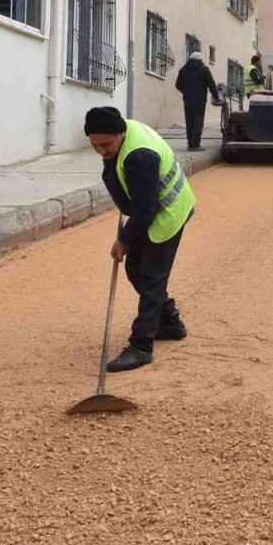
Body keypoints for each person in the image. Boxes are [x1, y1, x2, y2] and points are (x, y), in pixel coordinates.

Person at [85, 107, 195, 372]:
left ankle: (141, 346)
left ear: (121, 133)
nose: (102, 151)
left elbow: (146, 209)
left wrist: (123, 240)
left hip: (167, 212)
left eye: (107, 145)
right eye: (95, 146)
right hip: (149, 209)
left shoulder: (140, 156)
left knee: (151, 278)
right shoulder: (122, 132)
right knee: (135, 269)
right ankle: (170, 323)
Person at [174, 51, 221, 151]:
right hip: (200, 100)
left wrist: (185, 92)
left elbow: (178, 85)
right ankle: (196, 144)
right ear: (200, 60)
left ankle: (190, 144)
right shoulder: (204, 69)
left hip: (187, 100)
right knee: (198, 121)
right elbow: (211, 84)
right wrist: (216, 97)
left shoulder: (183, 70)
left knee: (189, 121)